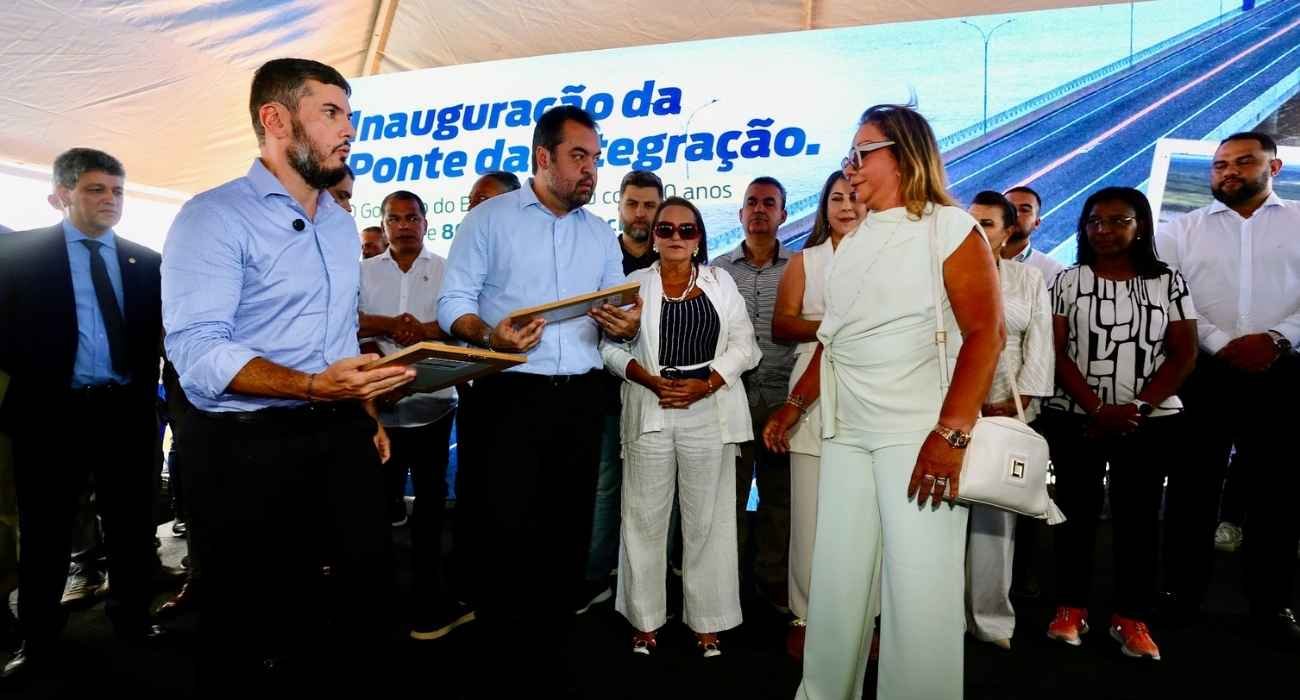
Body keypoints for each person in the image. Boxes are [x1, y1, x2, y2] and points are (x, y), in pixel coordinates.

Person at [162, 58, 415, 686]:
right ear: (275, 119)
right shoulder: (213, 217)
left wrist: (363, 409)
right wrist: (308, 386)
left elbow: (332, 338)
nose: (348, 130)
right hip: (244, 449)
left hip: (337, 432)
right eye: (330, 113)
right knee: (252, 619)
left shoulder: (336, 222)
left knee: (363, 597)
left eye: (350, 115)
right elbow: (196, 350)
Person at [766, 104, 1004, 699]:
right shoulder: (854, 240)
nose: (850, 171)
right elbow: (834, 340)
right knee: (838, 586)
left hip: (918, 437)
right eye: (850, 157)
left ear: (902, 154)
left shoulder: (950, 229)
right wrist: (796, 407)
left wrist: (951, 436)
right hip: (845, 435)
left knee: (919, 594)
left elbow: (986, 333)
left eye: (861, 153)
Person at [436, 104, 640, 692]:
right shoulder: (489, 220)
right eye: (580, 157)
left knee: (565, 534)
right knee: (503, 531)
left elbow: (616, 313)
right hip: (507, 398)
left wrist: (622, 325)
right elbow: (453, 304)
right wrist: (489, 336)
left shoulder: (599, 234)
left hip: (578, 400)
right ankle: (500, 657)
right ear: (542, 157)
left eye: (596, 160)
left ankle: (552, 653)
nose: (591, 172)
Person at [0, 147, 167, 683]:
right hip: (49, 416)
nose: (110, 200)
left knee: (132, 526)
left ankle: (133, 622)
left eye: (117, 191)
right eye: (96, 189)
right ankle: (39, 639)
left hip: (126, 414)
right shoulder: (17, 256)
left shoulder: (147, 262)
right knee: (45, 532)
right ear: (62, 194)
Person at [1041, 186, 1197, 661]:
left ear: (1141, 225)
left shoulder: (1168, 281)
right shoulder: (1068, 281)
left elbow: (1184, 352)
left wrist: (1138, 409)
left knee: (1139, 519)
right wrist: (1096, 408)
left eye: (1117, 221)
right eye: (1094, 221)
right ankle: (1070, 608)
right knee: (1074, 515)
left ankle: (1131, 616)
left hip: (1147, 422)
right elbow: (1056, 349)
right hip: (1077, 418)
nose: (1103, 230)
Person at [1157, 131, 1300, 646]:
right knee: (1191, 491)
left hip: (1282, 373)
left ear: (1274, 167)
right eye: (1219, 166)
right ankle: (1180, 595)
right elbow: (1170, 298)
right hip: (1203, 373)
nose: (1228, 172)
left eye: (1243, 162)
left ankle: (1271, 603)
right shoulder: (1180, 230)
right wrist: (1220, 342)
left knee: (1278, 496)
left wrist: (1278, 338)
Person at [602, 196, 759, 657]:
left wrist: (705, 384)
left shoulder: (720, 282)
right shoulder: (632, 284)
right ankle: (644, 621)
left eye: (686, 230)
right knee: (644, 519)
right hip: (649, 408)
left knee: (708, 520)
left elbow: (744, 346)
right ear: (653, 237)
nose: (675, 237)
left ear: (699, 238)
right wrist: (648, 378)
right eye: (665, 229)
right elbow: (608, 350)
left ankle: (707, 621)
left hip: (708, 410)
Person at [357, 189, 467, 640]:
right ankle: (376, 596)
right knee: (375, 506)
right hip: (378, 409)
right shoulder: (360, 271)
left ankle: (429, 589)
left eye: (412, 217)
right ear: (382, 225)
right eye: (394, 218)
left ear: (426, 222)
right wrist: (384, 332)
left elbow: (459, 324)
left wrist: (424, 331)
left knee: (429, 504)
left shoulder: (446, 270)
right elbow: (348, 320)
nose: (404, 225)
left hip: (433, 408)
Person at [768, 170, 862, 659]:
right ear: (824, 207)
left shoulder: (885, 258)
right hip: (809, 392)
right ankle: (805, 614)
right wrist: (845, 326)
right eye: (836, 198)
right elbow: (783, 323)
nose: (846, 206)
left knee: (866, 514)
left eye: (854, 196)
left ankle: (866, 616)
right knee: (808, 512)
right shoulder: (806, 259)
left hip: (870, 391)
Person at [963, 191, 1054, 651]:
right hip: (950, 412)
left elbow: (1040, 343)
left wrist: (1020, 398)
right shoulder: (942, 277)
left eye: (989, 224)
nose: (978, 232)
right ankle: (937, 616)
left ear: (1008, 231)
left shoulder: (1027, 280)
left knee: (995, 524)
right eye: (970, 222)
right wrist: (962, 405)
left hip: (1007, 411)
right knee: (939, 519)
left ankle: (990, 621)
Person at [582, 169, 666, 613]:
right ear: (619, 206)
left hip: (657, 396)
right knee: (602, 488)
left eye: (650, 205)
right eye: (633, 204)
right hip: (600, 393)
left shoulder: (670, 261)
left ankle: (652, 576)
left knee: (653, 489)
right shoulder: (597, 256)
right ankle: (596, 574)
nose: (641, 214)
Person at [713, 176, 796, 612]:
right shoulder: (718, 271)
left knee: (781, 499)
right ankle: (729, 589)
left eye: (769, 203)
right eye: (751, 203)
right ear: (740, 214)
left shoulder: (798, 267)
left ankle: (775, 585)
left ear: (783, 213)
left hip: (787, 401)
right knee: (727, 498)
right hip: (733, 398)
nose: (759, 210)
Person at [1001, 186, 1064, 283]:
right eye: (1009, 208)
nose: (1015, 214)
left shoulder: (1053, 272)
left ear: (1037, 223)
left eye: (1024, 210)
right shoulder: (973, 260)